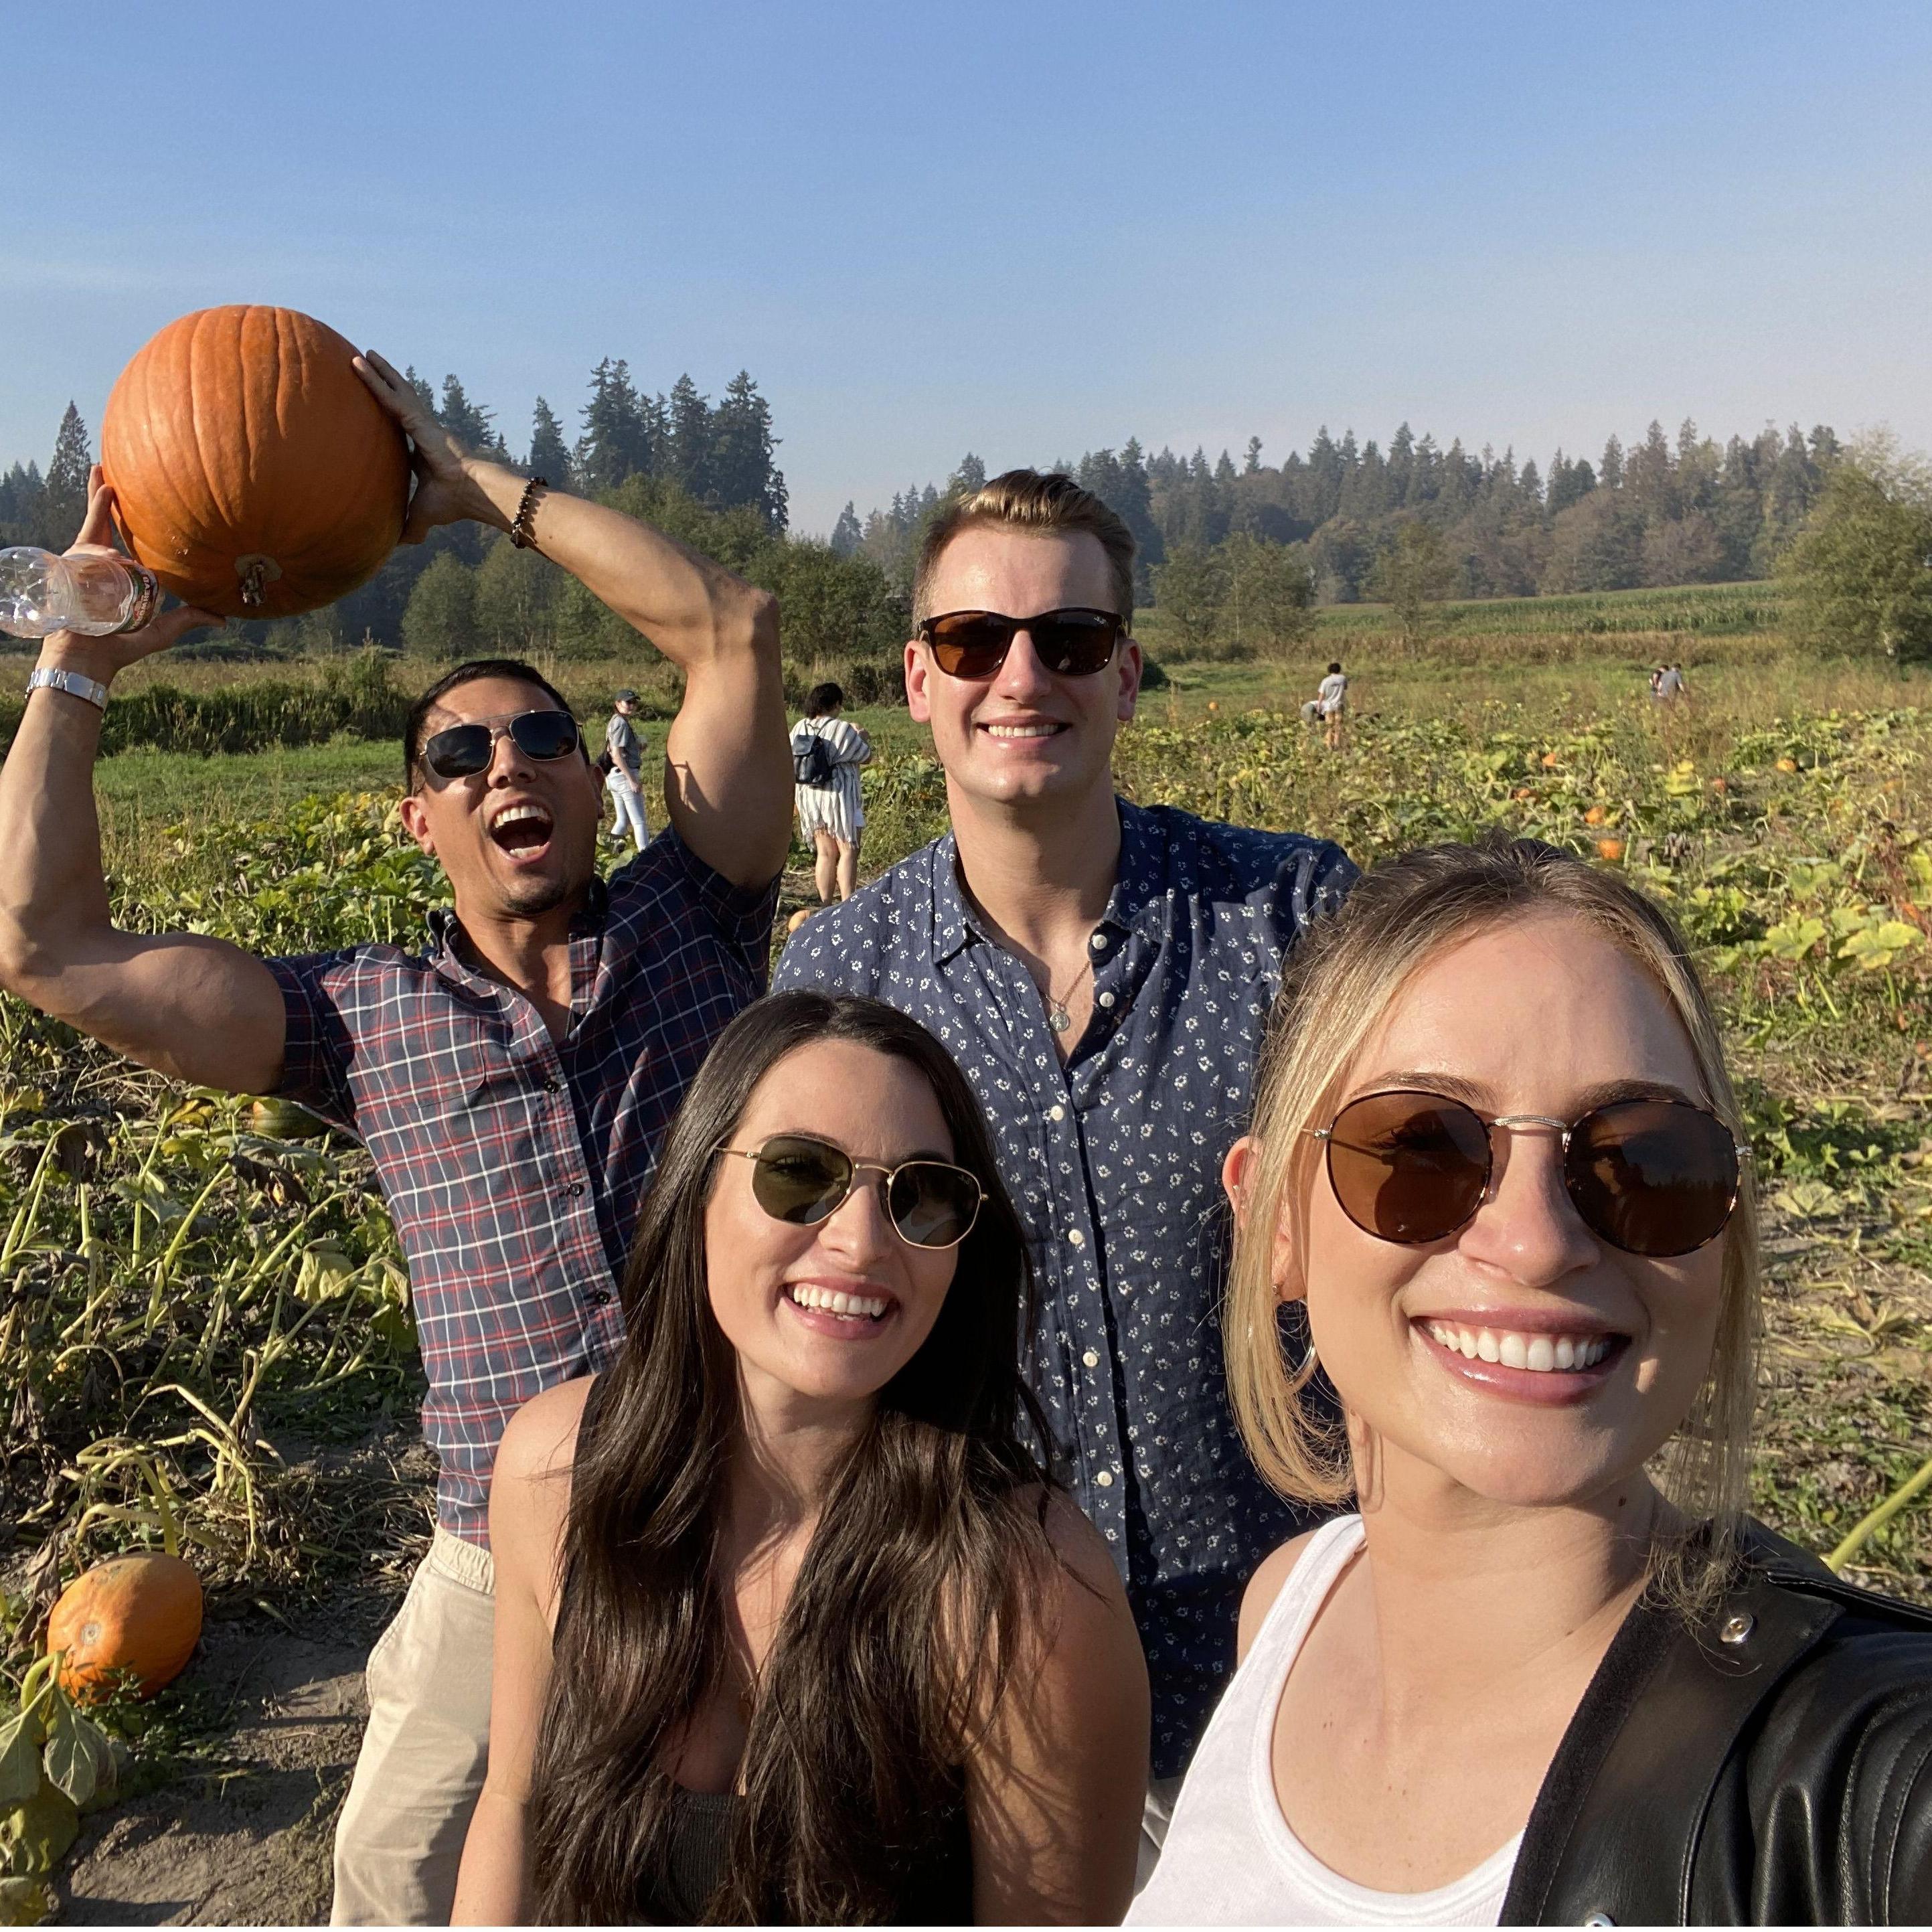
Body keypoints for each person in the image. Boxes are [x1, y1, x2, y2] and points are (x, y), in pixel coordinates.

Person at [0, 346, 793, 1926]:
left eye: (541, 739)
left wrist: (469, 489)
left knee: (752, 1871)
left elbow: (733, 628)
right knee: (396, 1871)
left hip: (747, 1508)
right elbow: (43, 944)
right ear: (415, 815)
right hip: (495, 1547)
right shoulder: (358, 1016)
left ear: (590, 782)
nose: (507, 762)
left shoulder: (699, 915)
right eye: (458, 754)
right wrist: (78, 662)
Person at [1134, 838, 1932, 1926]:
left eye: (1640, 1159)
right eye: (1419, 1148)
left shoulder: (1854, 1778)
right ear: (1275, 1217)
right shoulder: (1292, 1604)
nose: (1535, 1241)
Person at [773, 470, 1355, 1870]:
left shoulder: (1296, 917)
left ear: (1127, 673)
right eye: (976, 642)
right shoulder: (843, 975)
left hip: (1295, 1620)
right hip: (983, 1635)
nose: (1021, 674)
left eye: (1072, 641)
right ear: (919, 679)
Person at [456, 991, 1149, 1924]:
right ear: (699, 1183)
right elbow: (515, 1801)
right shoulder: (557, 1470)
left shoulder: (1025, 1590)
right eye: (799, 1173)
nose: (862, 1242)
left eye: (922, 1195)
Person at [789, 679, 872, 903]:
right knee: (848, 849)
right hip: (839, 797)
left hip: (809, 796)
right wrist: (862, 735)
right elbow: (865, 755)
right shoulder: (842, 728)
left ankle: (825, 905)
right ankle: (847, 903)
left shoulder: (799, 728)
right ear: (835, 704)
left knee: (825, 853)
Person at [604, 687, 650, 853]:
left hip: (614, 776)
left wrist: (637, 749)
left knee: (623, 820)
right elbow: (616, 754)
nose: (632, 705)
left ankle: (609, 852)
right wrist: (632, 780)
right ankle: (645, 855)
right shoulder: (621, 724)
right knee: (639, 821)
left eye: (634, 703)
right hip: (624, 775)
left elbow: (614, 750)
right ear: (618, 704)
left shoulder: (615, 721)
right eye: (628, 702)